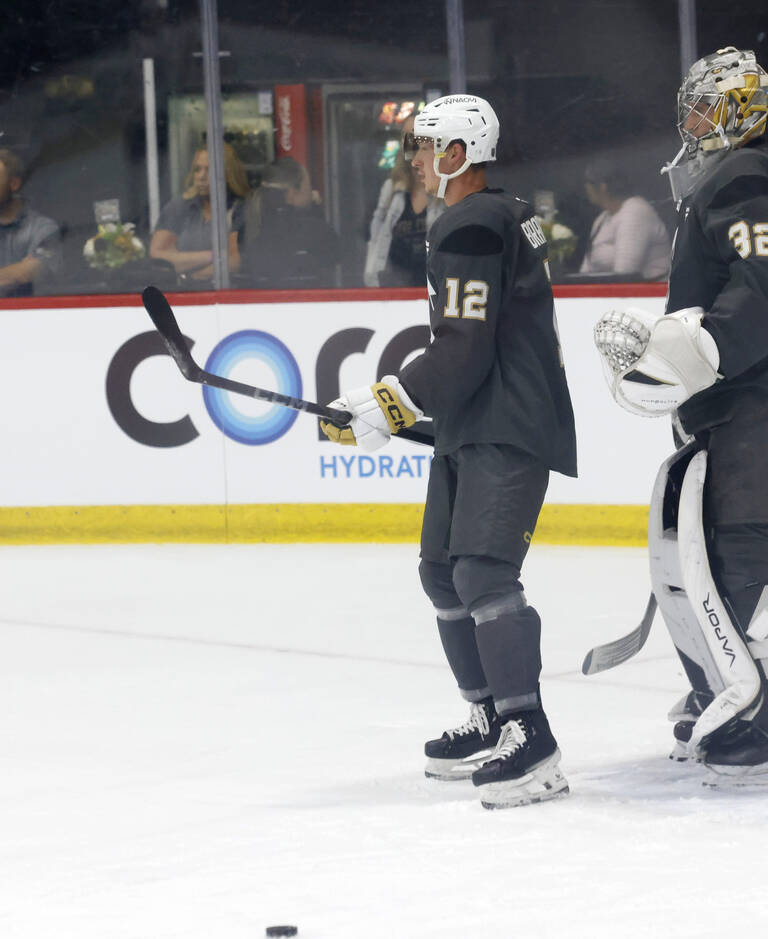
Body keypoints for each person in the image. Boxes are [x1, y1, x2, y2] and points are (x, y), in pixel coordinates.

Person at [593, 47, 768, 788]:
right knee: (705, 548)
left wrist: (702, 346)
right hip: (759, 392)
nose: (691, 121)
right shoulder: (749, 175)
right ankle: (724, 690)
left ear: (739, 111)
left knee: (743, 546)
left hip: (767, 396)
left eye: (705, 107)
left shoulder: (741, 173)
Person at [320, 94, 577, 809]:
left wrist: (391, 401)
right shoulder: (492, 214)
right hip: (479, 418)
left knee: (484, 573)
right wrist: (397, 406)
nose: (417, 160)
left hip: (508, 421)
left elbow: (464, 346)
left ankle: (532, 736)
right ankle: (492, 714)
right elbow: (472, 348)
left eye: (427, 146)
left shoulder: (471, 223)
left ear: (460, 153)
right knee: (442, 570)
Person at [363, 112, 443, 287]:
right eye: (408, 136)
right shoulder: (389, 189)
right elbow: (375, 240)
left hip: (437, 289)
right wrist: (372, 284)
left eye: (420, 136)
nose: (413, 142)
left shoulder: (448, 189)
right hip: (394, 289)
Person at [150, 143, 249, 282]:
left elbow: (234, 262)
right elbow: (158, 257)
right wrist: (215, 255)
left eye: (209, 170)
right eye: (197, 169)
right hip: (177, 293)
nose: (201, 177)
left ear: (227, 174)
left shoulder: (239, 209)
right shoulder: (179, 207)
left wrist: (190, 276)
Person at [240, 157, 341, 287]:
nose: (313, 193)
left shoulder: (247, 222)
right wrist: (316, 211)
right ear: (292, 194)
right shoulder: (315, 230)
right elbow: (335, 254)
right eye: (309, 187)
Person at [578, 157, 671, 281]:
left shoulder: (636, 211)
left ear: (603, 187)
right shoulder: (601, 220)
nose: (585, 187)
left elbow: (625, 274)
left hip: (649, 296)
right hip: (611, 295)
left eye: (587, 182)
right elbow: (585, 272)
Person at [0, 149, 62, 297]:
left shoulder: (44, 228)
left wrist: (21, 271)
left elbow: (28, 272)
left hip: (31, 315)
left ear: (14, 184)